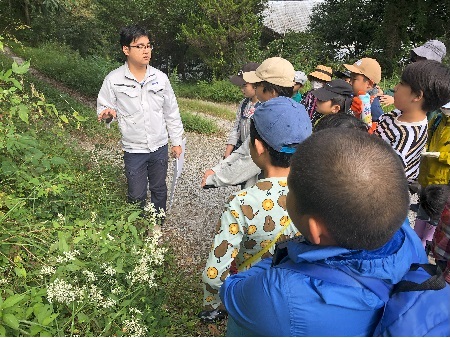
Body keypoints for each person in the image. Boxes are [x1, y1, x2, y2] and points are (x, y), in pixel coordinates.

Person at [220, 128, 428, 336]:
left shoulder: (280, 294)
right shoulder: (407, 236)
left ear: (314, 230)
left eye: (290, 191)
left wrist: (285, 255)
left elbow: (232, 292)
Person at [199, 97, 312, 323]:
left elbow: (213, 274)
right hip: (297, 300)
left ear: (258, 147)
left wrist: (213, 303)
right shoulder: (315, 194)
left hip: (252, 296)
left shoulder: (243, 202)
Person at [97, 25, 184, 214]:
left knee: (159, 189)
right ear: (125, 49)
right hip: (133, 149)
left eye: (149, 45)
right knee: (136, 194)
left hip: (159, 146)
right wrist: (107, 115)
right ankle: (136, 227)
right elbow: (104, 108)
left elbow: (171, 112)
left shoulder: (160, 78)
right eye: (140, 46)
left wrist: (176, 142)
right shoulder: (114, 80)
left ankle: (157, 225)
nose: (146, 51)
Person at [201, 57, 298, 189]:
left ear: (271, 90)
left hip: (269, 188)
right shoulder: (294, 111)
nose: (256, 88)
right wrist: (219, 168)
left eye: (258, 84)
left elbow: (251, 160)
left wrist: (214, 179)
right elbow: (247, 147)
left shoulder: (270, 118)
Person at [374, 60, 450, 185]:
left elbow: (384, 175)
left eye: (401, 84)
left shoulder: (409, 136)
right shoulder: (398, 114)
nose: (395, 88)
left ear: (417, 96)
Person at [414, 102, 450, 247]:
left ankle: (426, 245)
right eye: (443, 107)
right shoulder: (437, 119)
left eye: (447, 108)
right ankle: (416, 243)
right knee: (422, 211)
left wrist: (439, 155)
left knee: (435, 215)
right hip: (426, 174)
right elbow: (426, 137)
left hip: (442, 180)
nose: (444, 110)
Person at [379, 39, 447, 109]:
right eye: (418, 57)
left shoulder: (436, 84)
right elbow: (399, 89)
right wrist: (383, 93)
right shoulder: (414, 76)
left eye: (423, 59)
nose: (418, 61)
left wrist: (396, 100)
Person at [223, 62, 261, 159]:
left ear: (256, 85)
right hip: (240, 150)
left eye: (244, 85)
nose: (241, 89)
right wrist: (227, 153)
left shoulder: (264, 107)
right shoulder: (244, 104)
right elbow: (236, 128)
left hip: (254, 155)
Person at [344, 57, 382, 128]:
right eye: (350, 78)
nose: (350, 82)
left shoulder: (373, 105)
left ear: (369, 84)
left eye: (354, 79)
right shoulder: (354, 97)